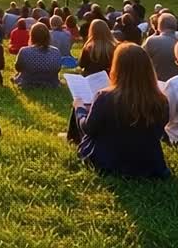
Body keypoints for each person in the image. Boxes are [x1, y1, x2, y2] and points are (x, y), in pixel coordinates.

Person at [67, 43, 170, 179]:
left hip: (108, 161)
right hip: (148, 162)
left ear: (117, 67)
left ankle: (71, 139)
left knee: (79, 109)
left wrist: (80, 108)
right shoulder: (161, 99)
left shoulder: (105, 96)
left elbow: (88, 128)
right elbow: (159, 130)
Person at [14, 23, 63, 89]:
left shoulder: (24, 51)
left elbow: (18, 68)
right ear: (48, 36)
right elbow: (58, 69)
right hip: (51, 83)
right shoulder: (56, 51)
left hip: (28, 82)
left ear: (32, 36)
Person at [141, 13, 178, 81]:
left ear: (159, 26)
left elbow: (139, 59)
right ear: (176, 26)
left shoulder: (151, 41)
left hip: (156, 83)